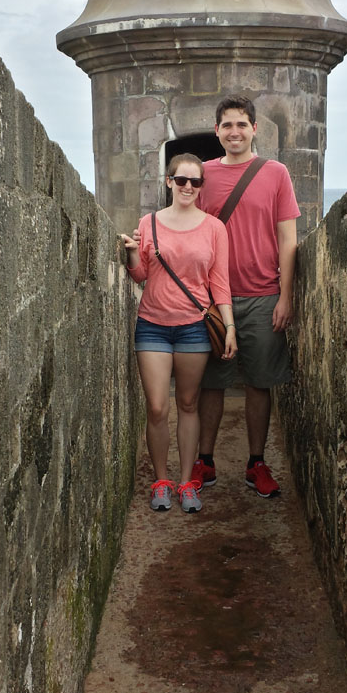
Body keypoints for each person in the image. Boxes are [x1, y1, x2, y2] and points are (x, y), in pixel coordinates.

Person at [192, 96, 300, 499]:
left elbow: (288, 238)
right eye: (227, 125)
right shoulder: (202, 174)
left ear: (255, 129)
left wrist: (285, 296)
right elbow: (188, 228)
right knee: (211, 383)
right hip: (213, 298)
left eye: (241, 124)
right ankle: (205, 460)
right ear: (216, 131)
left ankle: (256, 463)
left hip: (262, 296)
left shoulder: (275, 173)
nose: (234, 132)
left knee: (259, 382)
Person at [122, 153, 237, 514]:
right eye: (181, 180)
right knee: (157, 407)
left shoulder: (215, 228)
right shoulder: (149, 222)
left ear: (202, 186)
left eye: (196, 181)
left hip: (193, 328)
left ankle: (187, 481)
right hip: (153, 325)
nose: (189, 187)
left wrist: (229, 326)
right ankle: (161, 479)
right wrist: (131, 256)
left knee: (188, 405)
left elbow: (220, 284)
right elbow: (141, 277)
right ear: (168, 181)